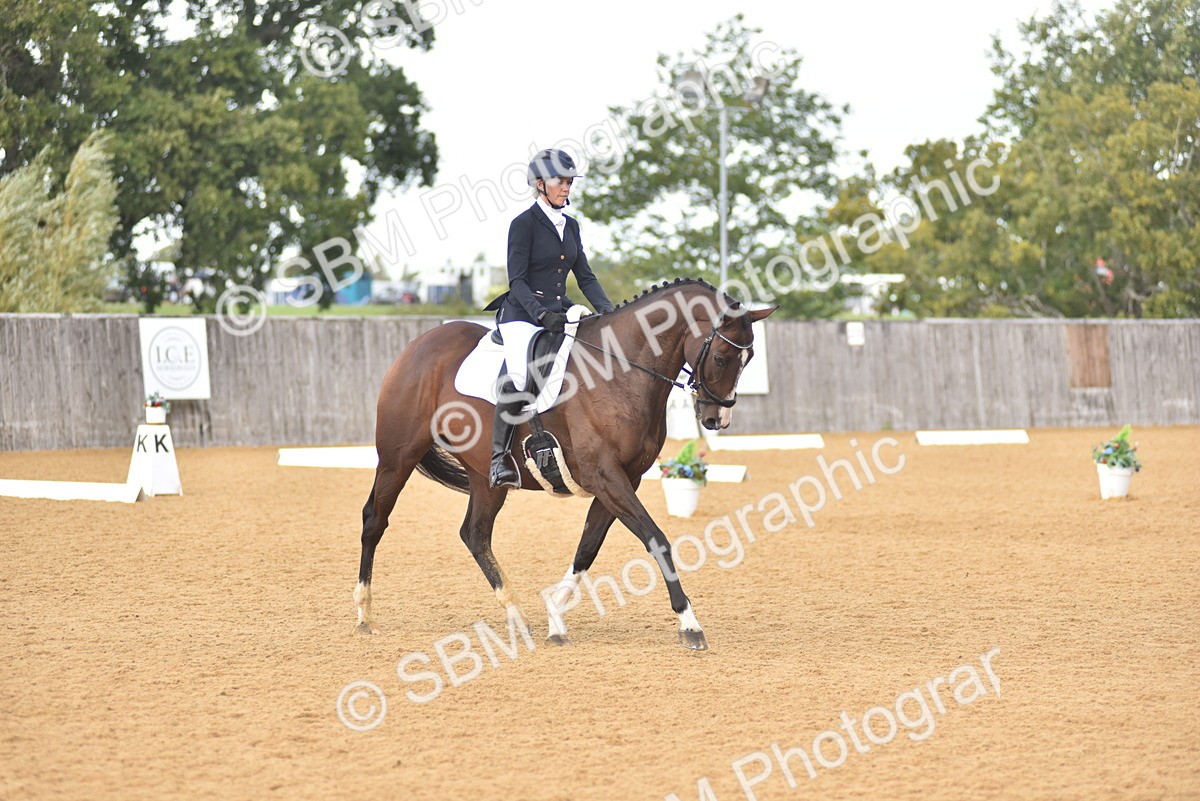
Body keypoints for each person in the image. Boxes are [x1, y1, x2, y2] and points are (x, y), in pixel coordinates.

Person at [482, 148, 615, 488]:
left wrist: (610, 311)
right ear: (540, 184)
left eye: (569, 181)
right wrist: (541, 314)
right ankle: (498, 459)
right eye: (560, 181)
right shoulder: (523, 224)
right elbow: (518, 281)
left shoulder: (571, 226)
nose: (566, 187)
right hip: (522, 315)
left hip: (557, 310)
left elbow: (584, 277)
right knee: (520, 376)